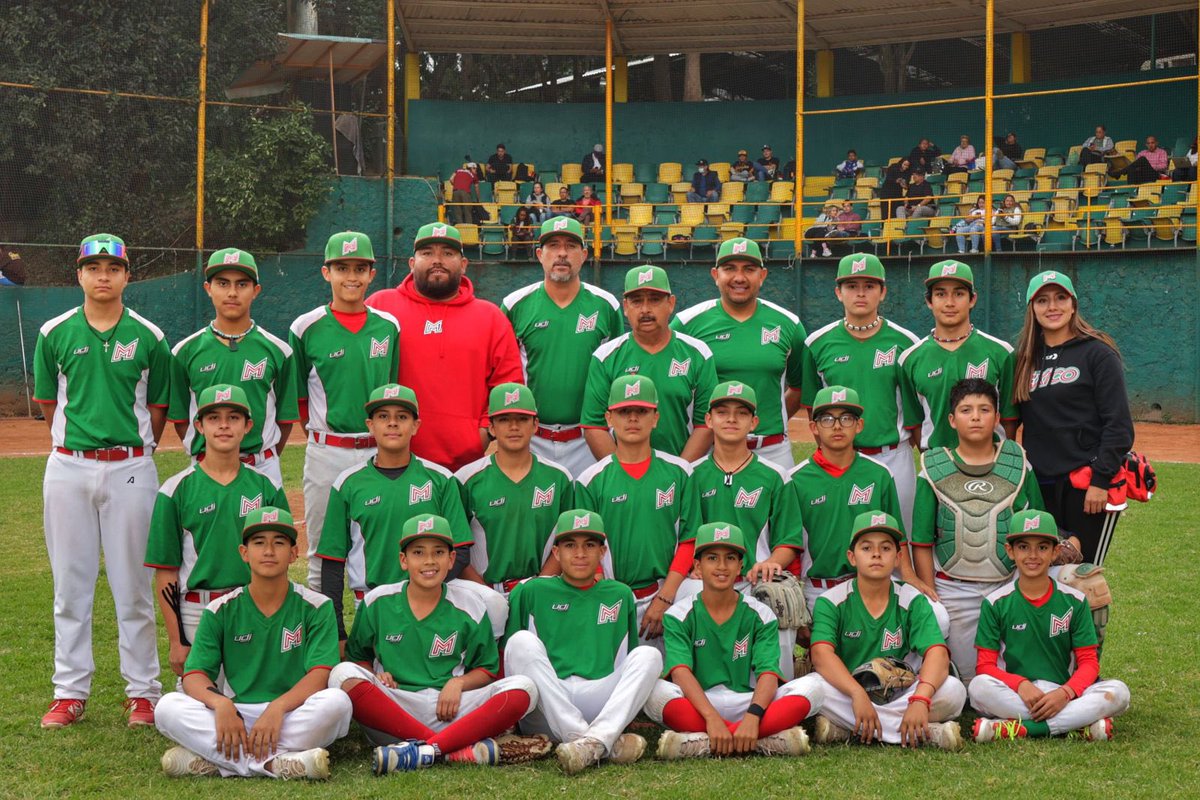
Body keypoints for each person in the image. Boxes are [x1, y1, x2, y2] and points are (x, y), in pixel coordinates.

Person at [33, 233, 169, 729]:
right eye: (94, 268)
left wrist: (131, 450)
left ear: (127, 275)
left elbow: (158, 409)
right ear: (80, 274)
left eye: (113, 268)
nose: (103, 276)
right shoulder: (54, 332)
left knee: (132, 585)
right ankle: (69, 692)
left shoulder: (151, 336)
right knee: (71, 586)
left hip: (131, 466)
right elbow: (51, 406)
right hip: (68, 466)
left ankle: (143, 693)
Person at [328, 514, 548, 773]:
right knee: (342, 674)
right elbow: (357, 657)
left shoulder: (470, 604)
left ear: (451, 559)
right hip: (396, 712)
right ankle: (445, 751)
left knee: (524, 688)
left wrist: (459, 683)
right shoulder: (378, 601)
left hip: (452, 711)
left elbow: (487, 669)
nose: (429, 561)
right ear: (403, 560)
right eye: (418, 552)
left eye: (439, 552)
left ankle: (421, 752)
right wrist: (376, 675)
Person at [153, 508, 353, 780]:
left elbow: (320, 674)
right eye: (259, 543)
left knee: (337, 703)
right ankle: (277, 764)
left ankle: (225, 764)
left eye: (279, 543)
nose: (269, 550)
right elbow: (195, 675)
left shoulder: (317, 606)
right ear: (244, 552)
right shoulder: (220, 609)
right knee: (167, 707)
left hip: (292, 712)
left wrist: (278, 708)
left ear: (293, 553)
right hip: (238, 713)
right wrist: (221, 704)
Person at [315, 383, 506, 641]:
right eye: (383, 416)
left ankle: (491, 664)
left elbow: (460, 550)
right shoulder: (347, 484)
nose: (392, 423)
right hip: (376, 600)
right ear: (370, 425)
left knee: (494, 604)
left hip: (435, 593)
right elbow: (333, 562)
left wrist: (421, 586)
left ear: (416, 425)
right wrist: (337, 631)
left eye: (402, 417)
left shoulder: (440, 479)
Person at [644, 523, 823, 760]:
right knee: (652, 690)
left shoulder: (761, 613)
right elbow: (680, 673)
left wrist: (753, 716)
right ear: (697, 565)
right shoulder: (678, 614)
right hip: (699, 704)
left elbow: (768, 672)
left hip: (748, 703)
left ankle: (701, 742)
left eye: (730, 558)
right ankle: (760, 741)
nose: (721, 566)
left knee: (815, 687)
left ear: (741, 565)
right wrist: (711, 719)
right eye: (712, 558)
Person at [504, 510, 664, 774]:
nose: (580, 553)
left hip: (599, 701)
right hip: (548, 704)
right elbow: (512, 660)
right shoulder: (532, 590)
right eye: (570, 545)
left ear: (602, 552)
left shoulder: (620, 594)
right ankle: (597, 741)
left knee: (649, 656)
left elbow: (628, 661)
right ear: (556, 553)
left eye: (589, 545)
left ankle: (591, 740)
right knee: (520, 641)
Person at [146, 384, 288, 679]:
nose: (223, 425)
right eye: (213, 418)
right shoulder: (175, 490)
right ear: (199, 425)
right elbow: (166, 571)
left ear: (248, 425)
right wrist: (177, 641)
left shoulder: (267, 487)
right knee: (191, 707)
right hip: (197, 611)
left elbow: (280, 564)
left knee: (256, 699)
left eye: (233, 417)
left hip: (253, 607)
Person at [910, 378, 1044, 679]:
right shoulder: (933, 465)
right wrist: (932, 595)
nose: (975, 416)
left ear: (997, 418)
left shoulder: (1018, 463)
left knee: (1021, 675)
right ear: (951, 420)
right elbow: (920, 540)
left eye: (984, 409)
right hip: (954, 587)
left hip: (1007, 584)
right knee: (970, 682)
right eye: (966, 409)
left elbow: (1038, 528)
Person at [289, 231, 400, 590]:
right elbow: (301, 400)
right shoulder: (305, 328)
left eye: (359, 268)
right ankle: (325, 641)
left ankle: (381, 642)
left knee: (384, 553)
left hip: (378, 452)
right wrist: (324, 437)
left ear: (371, 274)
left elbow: (392, 390)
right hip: (328, 452)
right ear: (326, 273)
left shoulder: (389, 327)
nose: (351, 277)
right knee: (323, 556)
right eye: (342, 268)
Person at [366, 222, 523, 471]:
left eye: (448, 253)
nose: (437, 260)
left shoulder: (490, 317)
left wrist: (482, 434)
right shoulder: (380, 307)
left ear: (463, 265)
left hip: (466, 463)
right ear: (411, 263)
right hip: (393, 459)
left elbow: (507, 387)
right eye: (427, 253)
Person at [808, 512, 966, 750]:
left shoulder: (912, 599)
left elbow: (937, 654)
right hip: (849, 693)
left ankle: (849, 729)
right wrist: (856, 694)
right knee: (810, 688)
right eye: (866, 548)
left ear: (898, 557)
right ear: (852, 557)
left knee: (954, 691)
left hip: (900, 693)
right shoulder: (830, 601)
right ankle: (922, 732)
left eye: (885, 548)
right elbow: (821, 655)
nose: (876, 554)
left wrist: (920, 699)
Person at [968, 510, 1130, 743]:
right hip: (1017, 694)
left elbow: (1088, 661)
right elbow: (985, 665)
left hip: (1062, 691)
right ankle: (1075, 726)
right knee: (978, 687)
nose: (1033, 555)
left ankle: (1020, 728)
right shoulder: (995, 603)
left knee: (1119, 692)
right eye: (1023, 547)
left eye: (1042, 547)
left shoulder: (1074, 600)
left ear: (1055, 552)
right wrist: (1021, 684)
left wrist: (1065, 693)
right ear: (1010, 551)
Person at [681, 382, 805, 676]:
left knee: (777, 595)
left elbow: (788, 540)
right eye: (722, 412)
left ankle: (778, 685)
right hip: (705, 576)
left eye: (741, 413)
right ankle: (695, 682)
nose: (732, 419)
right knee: (685, 595)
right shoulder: (691, 474)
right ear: (709, 420)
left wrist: (773, 563)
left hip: (753, 576)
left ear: (754, 422)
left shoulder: (775, 475)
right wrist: (694, 564)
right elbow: (685, 534)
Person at [1012, 271, 1133, 566]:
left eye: (1060, 298)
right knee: (1041, 575)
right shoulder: (1025, 358)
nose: (1052, 306)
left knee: (1084, 577)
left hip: (1086, 485)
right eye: (1042, 300)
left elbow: (1118, 425)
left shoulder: (1097, 352)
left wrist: (1101, 480)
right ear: (1032, 308)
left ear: (1073, 304)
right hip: (1039, 486)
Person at [575, 376, 702, 648]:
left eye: (641, 411)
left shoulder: (680, 471)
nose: (632, 418)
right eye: (624, 412)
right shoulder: (590, 479)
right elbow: (584, 549)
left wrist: (665, 597)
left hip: (667, 593)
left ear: (655, 418)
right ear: (609, 418)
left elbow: (690, 539)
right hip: (610, 594)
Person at [801, 254, 923, 530]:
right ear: (838, 292)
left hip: (894, 455)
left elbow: (915, 412)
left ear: (882, 293)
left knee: (900, 536)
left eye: (869, 286)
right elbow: (814, 410)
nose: (860, 293)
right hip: (842, 457)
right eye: (851, 285)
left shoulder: (907, 344)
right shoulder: (816, 344)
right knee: (844, 535)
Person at [787, 386, 930, 614]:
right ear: (813, 427)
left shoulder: (879, 473)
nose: (836, 426)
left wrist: (909, 575)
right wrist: (796, 598)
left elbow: (898, 535)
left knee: (938, 617)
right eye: (827, 419)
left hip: (872, 584)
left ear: (859, 425)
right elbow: (791, 545)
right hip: (819, 589)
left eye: (846, 418)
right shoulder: (796, 479)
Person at [502, 217, 622, 477]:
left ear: (584, 255)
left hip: (588, 440)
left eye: (571, 246)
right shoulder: (514, 305)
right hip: (531, 439)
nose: (562, 253)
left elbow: (617, 375)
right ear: (539, 254)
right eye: (553, 245)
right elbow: (503, 375)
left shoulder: (606, 305)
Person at [673, 238, 807, 469]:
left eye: (749, 269)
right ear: (715, 275)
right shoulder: (687, 324)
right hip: (709, 449)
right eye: (729, 269)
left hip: (772, 450)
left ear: (762, 275)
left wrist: (770, 420)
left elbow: (799, 386)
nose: (739, 277)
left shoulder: (789, 324)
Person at [169, 248, 298, 488]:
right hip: (205, 466)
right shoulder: (184, 352)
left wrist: (260, 456)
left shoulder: (279, 351)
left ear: (255, 291)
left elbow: (285, 418)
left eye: (241, 284)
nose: (231, 292)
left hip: (262, 467)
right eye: (222, 283)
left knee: (266, 527)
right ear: (208, 288)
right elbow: (180, 418)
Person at [581, 266, 717, 461]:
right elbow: (594, 426)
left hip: (681, 469)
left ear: (671, 304)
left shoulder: (698, 353)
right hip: (623, 476)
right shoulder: (605, 356)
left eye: (654, 300)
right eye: (637, 301)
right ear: (626, 307)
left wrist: (681, 470)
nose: (645, 309)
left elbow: (706, 424)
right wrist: (621, 474)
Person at [454, 383, 575, 592]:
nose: (513, 427)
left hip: (541, 589)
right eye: (504, 420)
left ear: (535, 424)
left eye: (522, 419)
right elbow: (456, 549)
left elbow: (568, 539)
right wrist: (485, 595)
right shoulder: (466, 479)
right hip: (484, 592)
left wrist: (538, 587)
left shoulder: (559, 477)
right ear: (491, 427)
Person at [898, 259, 1019, 450]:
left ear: (972, 299)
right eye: (940, 294)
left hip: (990, 463)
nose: (950, 302)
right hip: (938, 463)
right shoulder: (910, 358)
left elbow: (1009, 418)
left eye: (959, 293)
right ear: (929, 301)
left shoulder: (1001, 352)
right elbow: (915, 421)